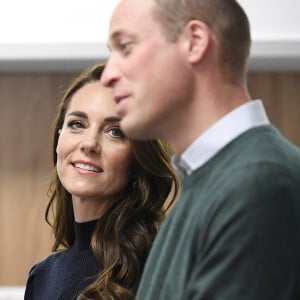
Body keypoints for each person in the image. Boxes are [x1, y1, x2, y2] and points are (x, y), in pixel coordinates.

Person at [100, 0, 300, 299]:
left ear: (194, 42)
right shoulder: (213, 183)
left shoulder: (258, 183)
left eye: (126, 46)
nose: (107, 74)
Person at [24, 63, 179, 300]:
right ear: (59, 138)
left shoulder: (162, 271)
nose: (89, 143)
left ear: (138, 158)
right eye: (77, 124)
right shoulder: (42, 277)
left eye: (115, 131)